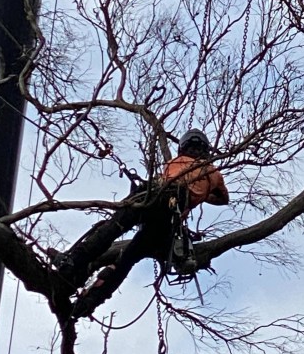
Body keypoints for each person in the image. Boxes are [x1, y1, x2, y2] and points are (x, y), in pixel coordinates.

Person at [68, 129, 228, 318]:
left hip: (159, 201)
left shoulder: (174, 163)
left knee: (117, 226)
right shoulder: (212, 172)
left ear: (183, 148)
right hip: (166, 220)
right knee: (125, 259)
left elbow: (167, 183)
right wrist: (201, 194)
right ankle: (88, 302)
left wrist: (197, 193)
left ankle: (74, 263)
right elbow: (222, 199)